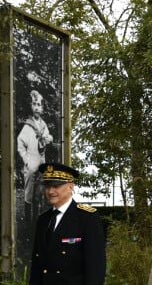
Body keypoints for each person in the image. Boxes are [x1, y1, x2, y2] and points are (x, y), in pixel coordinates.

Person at [29, 163, 106, 285]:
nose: (50, 191)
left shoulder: (87, 218)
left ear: (70, 186)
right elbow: (37, 265)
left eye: (56, 186)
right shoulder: (43, 220)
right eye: (47, 186)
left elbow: (95, 267)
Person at [17, 90, 53, 222]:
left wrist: (47, 138)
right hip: (31, 163)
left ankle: (36, 222)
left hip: (41, 163)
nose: (37, 107)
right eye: (34, 104)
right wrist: (26, 160)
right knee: (28, 193)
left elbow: (49, 137)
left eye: (39, 104)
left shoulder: (43, 126)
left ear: (42, 108)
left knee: (39, 193)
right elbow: (20, 144)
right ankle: (28, 222)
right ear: (31, 106)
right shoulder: (28, 126)